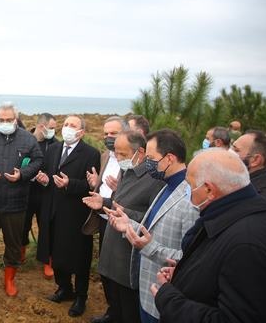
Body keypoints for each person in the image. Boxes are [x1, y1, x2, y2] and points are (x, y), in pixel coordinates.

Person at [151, 148, 266, 323]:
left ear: (209, 190)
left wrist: (169, 299)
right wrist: (186, 272)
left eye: (189, 186)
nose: (187, 194)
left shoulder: (246, 245)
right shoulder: (229, 215)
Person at [105, 129, 198, 323]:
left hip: (164, 295)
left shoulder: (190, 198)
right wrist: (128, 223)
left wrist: (149, 248)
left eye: (151, 158)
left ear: (169, 158)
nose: (148, 163)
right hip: (146, 289)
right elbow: (152, 227)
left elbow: (191, 259)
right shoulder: (165, 185)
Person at [83, 131, 164, 323]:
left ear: (141, 152)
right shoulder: (128, 170)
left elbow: (155, 218)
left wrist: (126, 214)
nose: (118, 159)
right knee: (114, 297)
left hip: (128, 256)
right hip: (113, 247)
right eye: (116, 153)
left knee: (129, 306)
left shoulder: (155, 179)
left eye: (123, 154)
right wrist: (105, 201)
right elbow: (121, 202)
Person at [0, 102, 43, 297]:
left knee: (13, 242)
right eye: (1, 120)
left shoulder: (28, 139)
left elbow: (39, 161)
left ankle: (9, 279)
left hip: (16, 202)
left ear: (16, 119)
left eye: (9, 120)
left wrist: (22, 174)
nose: (5, 123)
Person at [35, 115, 100, 317]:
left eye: (73, 125)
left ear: (81, 132)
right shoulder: (53, 149)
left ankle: (81, 296)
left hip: (75, 214)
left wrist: (70, 184)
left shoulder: (91, 153)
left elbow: (91, 185)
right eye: (66, 124)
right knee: (56, 253)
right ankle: (64, 288)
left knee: (79, 257)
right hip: (52, 211)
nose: (67, 128)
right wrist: (44, 179)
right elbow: (47, 173)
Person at [83, 116, 127, 323]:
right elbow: (102, 184)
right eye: (106, 133)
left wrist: (113, 195)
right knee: (105, 268)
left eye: (114, 133)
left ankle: (119, 313)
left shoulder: (130, 160)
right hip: (102, 218)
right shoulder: (105, 156)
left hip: (120, 220)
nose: (109, 137)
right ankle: (113, 311)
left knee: (118, 271)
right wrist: (95, 183)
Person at [22, 113, 58, 278]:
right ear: (41, 126)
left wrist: (47, 178)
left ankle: (47, 260)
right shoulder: (25, 140)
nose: (53, 132)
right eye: (51, 128)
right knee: (23, 224)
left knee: (47, 226)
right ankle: (20, 251)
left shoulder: (55, 145)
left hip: (46, 191)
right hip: (27, 190)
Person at [231, 129, 266, 199]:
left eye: (236, 150)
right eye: (231, 148)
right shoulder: (242, 182)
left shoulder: (258, 197)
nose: (228, 153)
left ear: (255, 160)